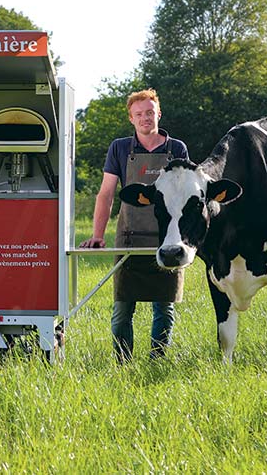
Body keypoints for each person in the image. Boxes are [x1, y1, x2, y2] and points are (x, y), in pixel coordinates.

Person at [79, 89, 189, 363]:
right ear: (131, 118)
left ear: (158, 114)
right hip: (128, 237)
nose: (145, 118)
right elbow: (105, 194)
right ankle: (122, 363)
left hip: (167, 240)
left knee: (164, 308)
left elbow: (187, 196)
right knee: (122, 307)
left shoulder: (177, 149)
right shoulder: (119, 148)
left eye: (149, 112)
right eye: (139, 114)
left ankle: (157, 361)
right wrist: (97, 236)